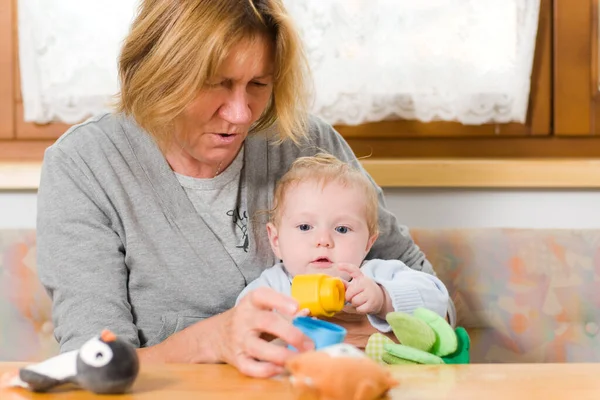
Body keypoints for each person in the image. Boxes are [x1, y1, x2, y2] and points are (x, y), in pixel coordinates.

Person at [36, 0, 456, 378]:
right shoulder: (85, 165)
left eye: (259, 85)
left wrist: (371, 329)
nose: (240, 115)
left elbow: (438, 312)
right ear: (157, 73)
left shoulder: (306, 143)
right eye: (214, 83)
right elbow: (95, 362)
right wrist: (208, 341)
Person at [236, 154, 451, 348]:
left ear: (368, 243)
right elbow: (238, 329)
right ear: (276, 240)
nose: (323, 240)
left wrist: (384, 298)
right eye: (304, 227)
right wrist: (274, 324)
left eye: (341, 229)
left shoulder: (376, 275)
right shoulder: (271, 288)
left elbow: (438, 302)